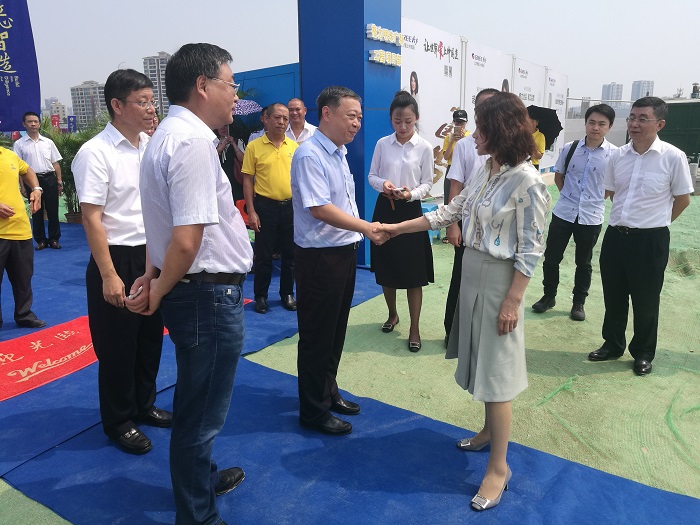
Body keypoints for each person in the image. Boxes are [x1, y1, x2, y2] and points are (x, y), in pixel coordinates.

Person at [379, 92, 550, 511]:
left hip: (499, 281)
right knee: (481, 363)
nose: (473, 135)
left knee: (498, 374)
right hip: (472, 272)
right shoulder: (487, 170)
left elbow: (531, 249)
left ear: (501, 131)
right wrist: (396, 229)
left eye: (481, 127)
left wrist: (513, 301)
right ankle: (489, 433)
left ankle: (499, 469)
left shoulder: (526, 180)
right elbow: (449, 211)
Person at [131, 43, 252, 525]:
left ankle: (199, 480)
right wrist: (157, 287)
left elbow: (160, 224)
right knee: (201, 414)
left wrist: (153, 275)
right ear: (203, 85)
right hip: (206, 294)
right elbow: (185, 239)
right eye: (231, 83)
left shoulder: (165, 136)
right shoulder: (192, 142)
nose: (235, 94)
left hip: (195, 290)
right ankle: (198, 515)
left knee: (195, 400)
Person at [72, 69, 169, 456]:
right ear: (117, 105)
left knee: (149, 339)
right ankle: (119, 420)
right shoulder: (95, 152)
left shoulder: (150, 145)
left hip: (150, 255)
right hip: (116, 257)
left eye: (152, 101)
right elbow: (91, 218)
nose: (150, 109)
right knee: (117, 347)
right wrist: (109, 275)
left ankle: (144, 405)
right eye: (142, 102)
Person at [291, 85, 388, 436]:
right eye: (351, 116)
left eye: (360, 117)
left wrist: (358, 232)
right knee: (317, 335)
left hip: (342, 252)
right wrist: (366, 227)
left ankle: (328, 390)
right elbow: (320, 208)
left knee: (335, 332)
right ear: (327, 114)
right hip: (320, 258)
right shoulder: (309, 154)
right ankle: (313, 410)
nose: (357, 123)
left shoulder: (338, 153)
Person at [588, 97, 693, 376]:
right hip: (616, 237)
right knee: (614, 295)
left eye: (642, 118)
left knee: (646, 300)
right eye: (632, 117)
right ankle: (612, 344)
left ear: (660, 124)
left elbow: (683, 200)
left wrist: (656, 223)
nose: (634, 124)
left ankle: (643, 353)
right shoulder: (618, 156)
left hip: (651, 240)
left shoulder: (673, 157)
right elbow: (613, 193)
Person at [532, 104, 617, 321]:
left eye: (601, 124)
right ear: (585, 123)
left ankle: (579, 302)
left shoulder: (614, 154)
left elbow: (611, 186)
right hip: (564, 212)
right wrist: (568, 196)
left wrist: (595, 200)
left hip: (591, 216)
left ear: (609, 127)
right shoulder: (570, 148)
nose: (595, 127)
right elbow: (558, 176)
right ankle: (549, 296)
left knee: (584, 262)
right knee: (551, 258)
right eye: (592, 122)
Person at [368, 90, 434, 351]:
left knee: (414, 273)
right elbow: (372, 176)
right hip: (385, 208)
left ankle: (414, 328)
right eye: (397, 121)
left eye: (408, 121)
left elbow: (427, 183)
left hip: (411, 211)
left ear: (416, 118)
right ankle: (392, 314)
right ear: (391, 119)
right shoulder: (382, 144)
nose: (403, 126)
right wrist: (383, 184)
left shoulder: (424, 147)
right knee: (387, 266)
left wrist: (410, 194)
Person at [443, 88, 499, 346]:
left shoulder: (510, 148)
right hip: (467, 224)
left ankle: (481, 333)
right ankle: (452, 331)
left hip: (496, 228)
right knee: (461, 277)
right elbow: (456, 186)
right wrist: (452, 225)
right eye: (481, 109)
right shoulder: (466, 145)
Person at [242, 102, 299, 313]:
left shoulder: (294, 147)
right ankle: (261, 296)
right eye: (277, 117)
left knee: (290, 255)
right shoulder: (254, 146)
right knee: (264, 256)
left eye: (285, 118)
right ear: (266, 119)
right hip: (265, 207)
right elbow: (247, 180)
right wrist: (251, 211)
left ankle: (287, 293)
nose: (282, 122)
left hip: (290, 207)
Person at [0, 147, 45, 329]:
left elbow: (27, 170)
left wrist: (36, 189)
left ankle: (24, 314)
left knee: (23, 277)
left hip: (20, 229)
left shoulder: (9, 155)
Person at [13, 111, 63, 250]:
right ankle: (40, 240)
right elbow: (19, 168)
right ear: (24, 124)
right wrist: (22, 186)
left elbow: (55, 163)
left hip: (49, 178)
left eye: (35, 121)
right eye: (30, 121)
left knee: (53, 210)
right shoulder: (19, 144)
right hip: (31, 181)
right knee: (36, 211)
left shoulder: (48, 142)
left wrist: (59, 181)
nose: (33, 124)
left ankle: (54, 239)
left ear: (39, 124)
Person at [440, 109, 469, 203]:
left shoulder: (470, 136)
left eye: (461, 122)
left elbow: (470, 154)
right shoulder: (448, 137)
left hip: (466, 168)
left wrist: (464, 139)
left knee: (465, 198)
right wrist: (451, 141)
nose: (459, 125)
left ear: (466, 122)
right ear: (453, 122)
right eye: (457, 122)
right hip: (451, 168)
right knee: (449, 198)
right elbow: (446, 157)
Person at [215, 123, 245, 201]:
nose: (223, 128)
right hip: (219, 181)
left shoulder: (238, 141)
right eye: (220, 126)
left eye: (225, 125)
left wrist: (233, 144)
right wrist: (220, 149)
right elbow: (210, 159)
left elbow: (243, 159)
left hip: (235, 181)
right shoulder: (214, 142)